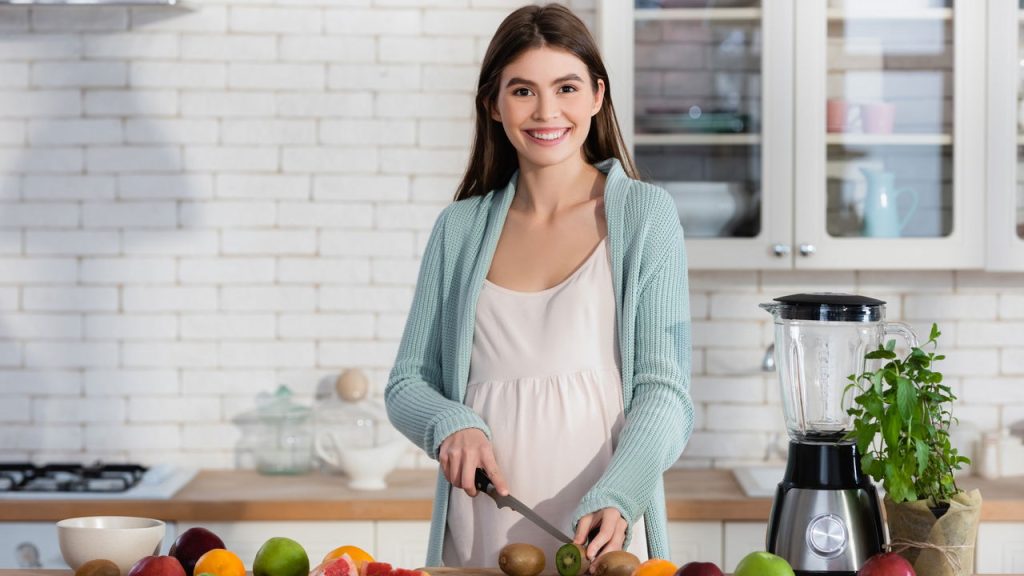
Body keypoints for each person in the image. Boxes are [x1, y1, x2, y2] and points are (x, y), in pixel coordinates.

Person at [385, 3, 693, 570]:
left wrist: (619, 494)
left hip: (604, 529)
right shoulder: (459, 229)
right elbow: (407, 384)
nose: (547, 111)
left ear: (597, 96)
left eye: (567, 87)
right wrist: (450, 423)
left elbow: (665, 394)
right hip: (481, 530)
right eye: (523, 91)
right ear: (493, 105)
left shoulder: (646, 217)